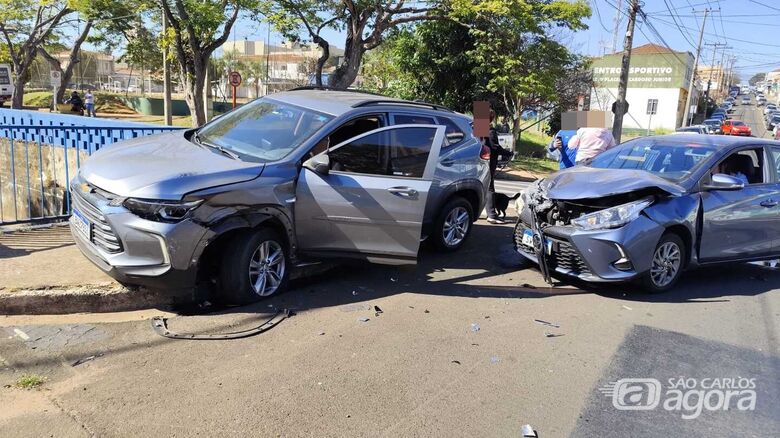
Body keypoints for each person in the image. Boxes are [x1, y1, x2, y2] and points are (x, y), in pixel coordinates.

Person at [483, 110, 513, 224]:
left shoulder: (477, 130)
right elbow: (494, 147)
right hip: (488, 162)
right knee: (489, 188)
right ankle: (492, 215)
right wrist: (508, 153)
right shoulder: (490, 131)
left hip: (477, 161)